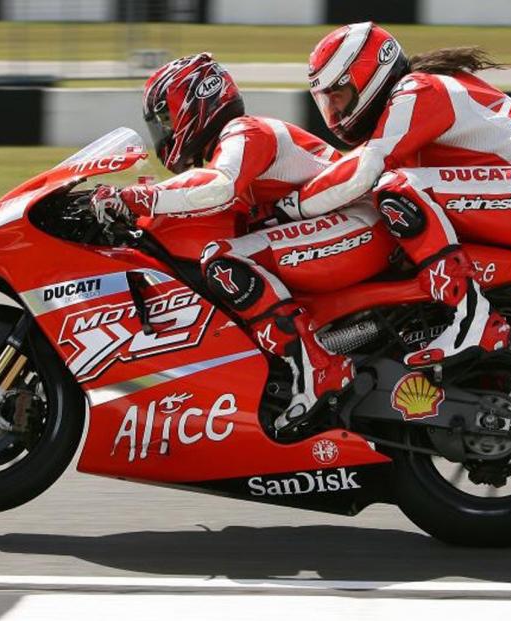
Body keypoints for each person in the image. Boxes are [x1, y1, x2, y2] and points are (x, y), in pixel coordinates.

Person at [89, 53, 396, 431]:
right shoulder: (231, 147)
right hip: (347, 227)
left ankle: (316, 369)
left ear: (195, 103)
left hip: (359, 225)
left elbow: (218, 186)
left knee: (224, 261)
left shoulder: (244, 133)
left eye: (166, 120)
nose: (164, 133)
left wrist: (137, 199)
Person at [278, 22, 511, 368]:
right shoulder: (410, 105)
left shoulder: (418, 90)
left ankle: (469, 313)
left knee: (397, 187)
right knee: (400, 213)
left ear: (368, 76)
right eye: (327, 102)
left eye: (339, 96)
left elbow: (363, 171)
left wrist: (288, 208)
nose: (335, 113)